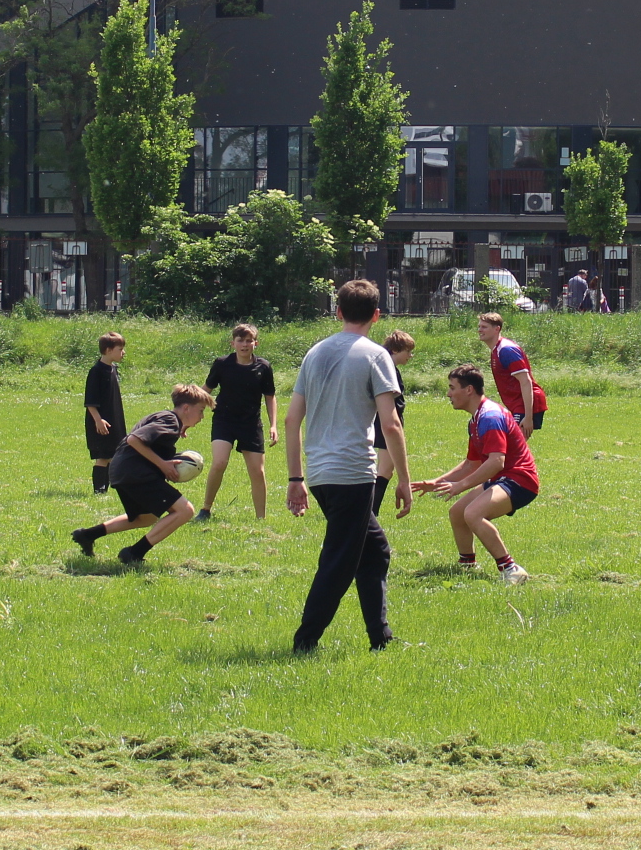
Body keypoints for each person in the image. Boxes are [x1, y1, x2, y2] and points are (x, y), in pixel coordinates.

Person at [285, 280, 412, 653]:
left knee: (375, 550)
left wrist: (296, 478)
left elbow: (292, 420)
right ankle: (306, 640)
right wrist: (404, 480)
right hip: (353, 473)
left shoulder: (314, 353)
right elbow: (391, 424)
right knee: (340, 560)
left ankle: (381, 638)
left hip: (321, 474)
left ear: (338, 311)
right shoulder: (376, 356)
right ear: (377, 315)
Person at [416, 363, 539, 581]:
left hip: (520, 480)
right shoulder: (477, 418)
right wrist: (436, 482)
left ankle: (511, 569)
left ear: (469, 390)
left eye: (452, 388)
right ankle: (467, 565)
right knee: (458, 512)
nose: (448, 394)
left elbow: (496, 462)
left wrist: (460, 486)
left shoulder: (490, 417)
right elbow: (471, 464)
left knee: (473, 514)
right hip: (504, 478)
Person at [72, 385, 210, 563]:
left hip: (122, 471)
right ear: (186, 408)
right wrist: (163, 465)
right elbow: (134, 439)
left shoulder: (166, 419)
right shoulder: (170, 421)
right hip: (136, 473)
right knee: (185, 511)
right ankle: (134, 553)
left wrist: (178, 433)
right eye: (201, 410)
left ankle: (87, 535)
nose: (202, 417)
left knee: (146, 517)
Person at [198, 325, 278, 521]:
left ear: (255, 343)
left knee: (258, 472)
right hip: (224, 420)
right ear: (232, 343)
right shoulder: (222, 364)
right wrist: (188, 412)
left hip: (250, 424)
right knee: (219, 462)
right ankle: (205, 509)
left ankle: (260, 519)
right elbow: (206, 390)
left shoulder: (263, 367)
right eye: (240, 340)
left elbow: (270, 397)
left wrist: (273, 425)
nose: (244, 345)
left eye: (249, 341)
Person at [477, 311, 546, 431]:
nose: (479, 330)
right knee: (507, 442)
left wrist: (528, 417)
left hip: (525, 405)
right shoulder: (497, 350)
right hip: (517, 404)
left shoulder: (506, 350)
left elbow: (526, 382)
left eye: (484, 327)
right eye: (479, 326)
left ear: (497, 329)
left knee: (510, 442)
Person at [83, 332, 127, 494]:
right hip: (100, 422)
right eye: (120, 349)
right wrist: (98, 420)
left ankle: (108, 487)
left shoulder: (113, 369)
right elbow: (90, 402)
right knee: (103, 456)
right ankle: (99, 490)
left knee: (113, 455)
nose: (123, 352)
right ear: (108, 350)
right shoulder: (96, 372)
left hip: (114, 420)